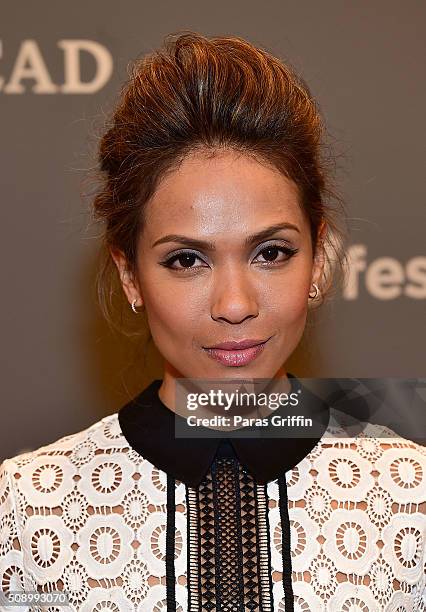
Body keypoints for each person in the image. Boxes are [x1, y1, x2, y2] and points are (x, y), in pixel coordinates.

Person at [0, 32, 424, 612]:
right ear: (130, 277)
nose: (233, 303)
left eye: (270, 253)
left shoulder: (413, 500)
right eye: (186, 260)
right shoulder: (24, 513)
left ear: (320, 259)